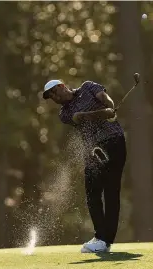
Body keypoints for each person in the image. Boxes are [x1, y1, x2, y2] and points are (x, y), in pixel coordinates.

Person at [42, 79, 127, 253]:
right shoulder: (65, 113)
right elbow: (81, 116)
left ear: (62, 86)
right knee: (92, 192)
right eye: (51, 98)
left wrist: (110, 107)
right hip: (95, 149)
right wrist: (105, 113)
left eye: (54, 93)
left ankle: (104, 239)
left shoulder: (88, 87)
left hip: (114, 142)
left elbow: (105, 97)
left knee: (111, 191)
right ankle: (101, 237)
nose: (54, 99)